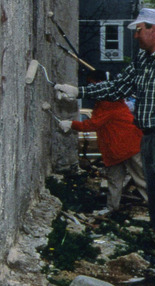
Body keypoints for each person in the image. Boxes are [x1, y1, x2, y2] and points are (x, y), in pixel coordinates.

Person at [54, 8, 155, 286]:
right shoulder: (142, 59)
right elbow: (117, 88)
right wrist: (80, 91)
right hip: (147, 137)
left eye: (139, 29)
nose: (135, 35)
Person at [59, 70, 148, 213]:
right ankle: (112, 208)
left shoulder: (108, 101)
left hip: (129, 146)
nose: (90, 87)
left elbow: (92, 124)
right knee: (115, 179)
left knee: (141, 179)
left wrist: (71, 124)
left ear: (98, 84)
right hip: (116, 149)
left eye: (91, 83)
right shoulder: (106, 101)